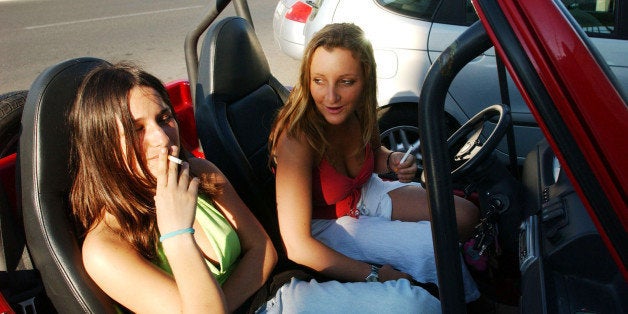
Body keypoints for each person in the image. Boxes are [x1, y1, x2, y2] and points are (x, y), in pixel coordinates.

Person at [69, 62, 441, 313]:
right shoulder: (105, 249)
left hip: (279, 295)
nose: (161, 137)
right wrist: (177, 232)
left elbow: (263, 251)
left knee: (418, 301)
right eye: (136, 129)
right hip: (270, 301)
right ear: (103, 144)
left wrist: (220, 298)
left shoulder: (199, 171)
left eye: (164, 118)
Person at [268, 22, 481, 302]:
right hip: (327, 224)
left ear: (365, 80)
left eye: (346, 82)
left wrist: (391, 160)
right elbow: (297, 246)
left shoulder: (357, 111)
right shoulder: (297, 139)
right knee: (434, 246)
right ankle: (469, 303)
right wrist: (375, 273)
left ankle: (441, 274)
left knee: (464, 215)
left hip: (365, 193)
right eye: (318, 80)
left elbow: (372, 151)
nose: (330, 97)